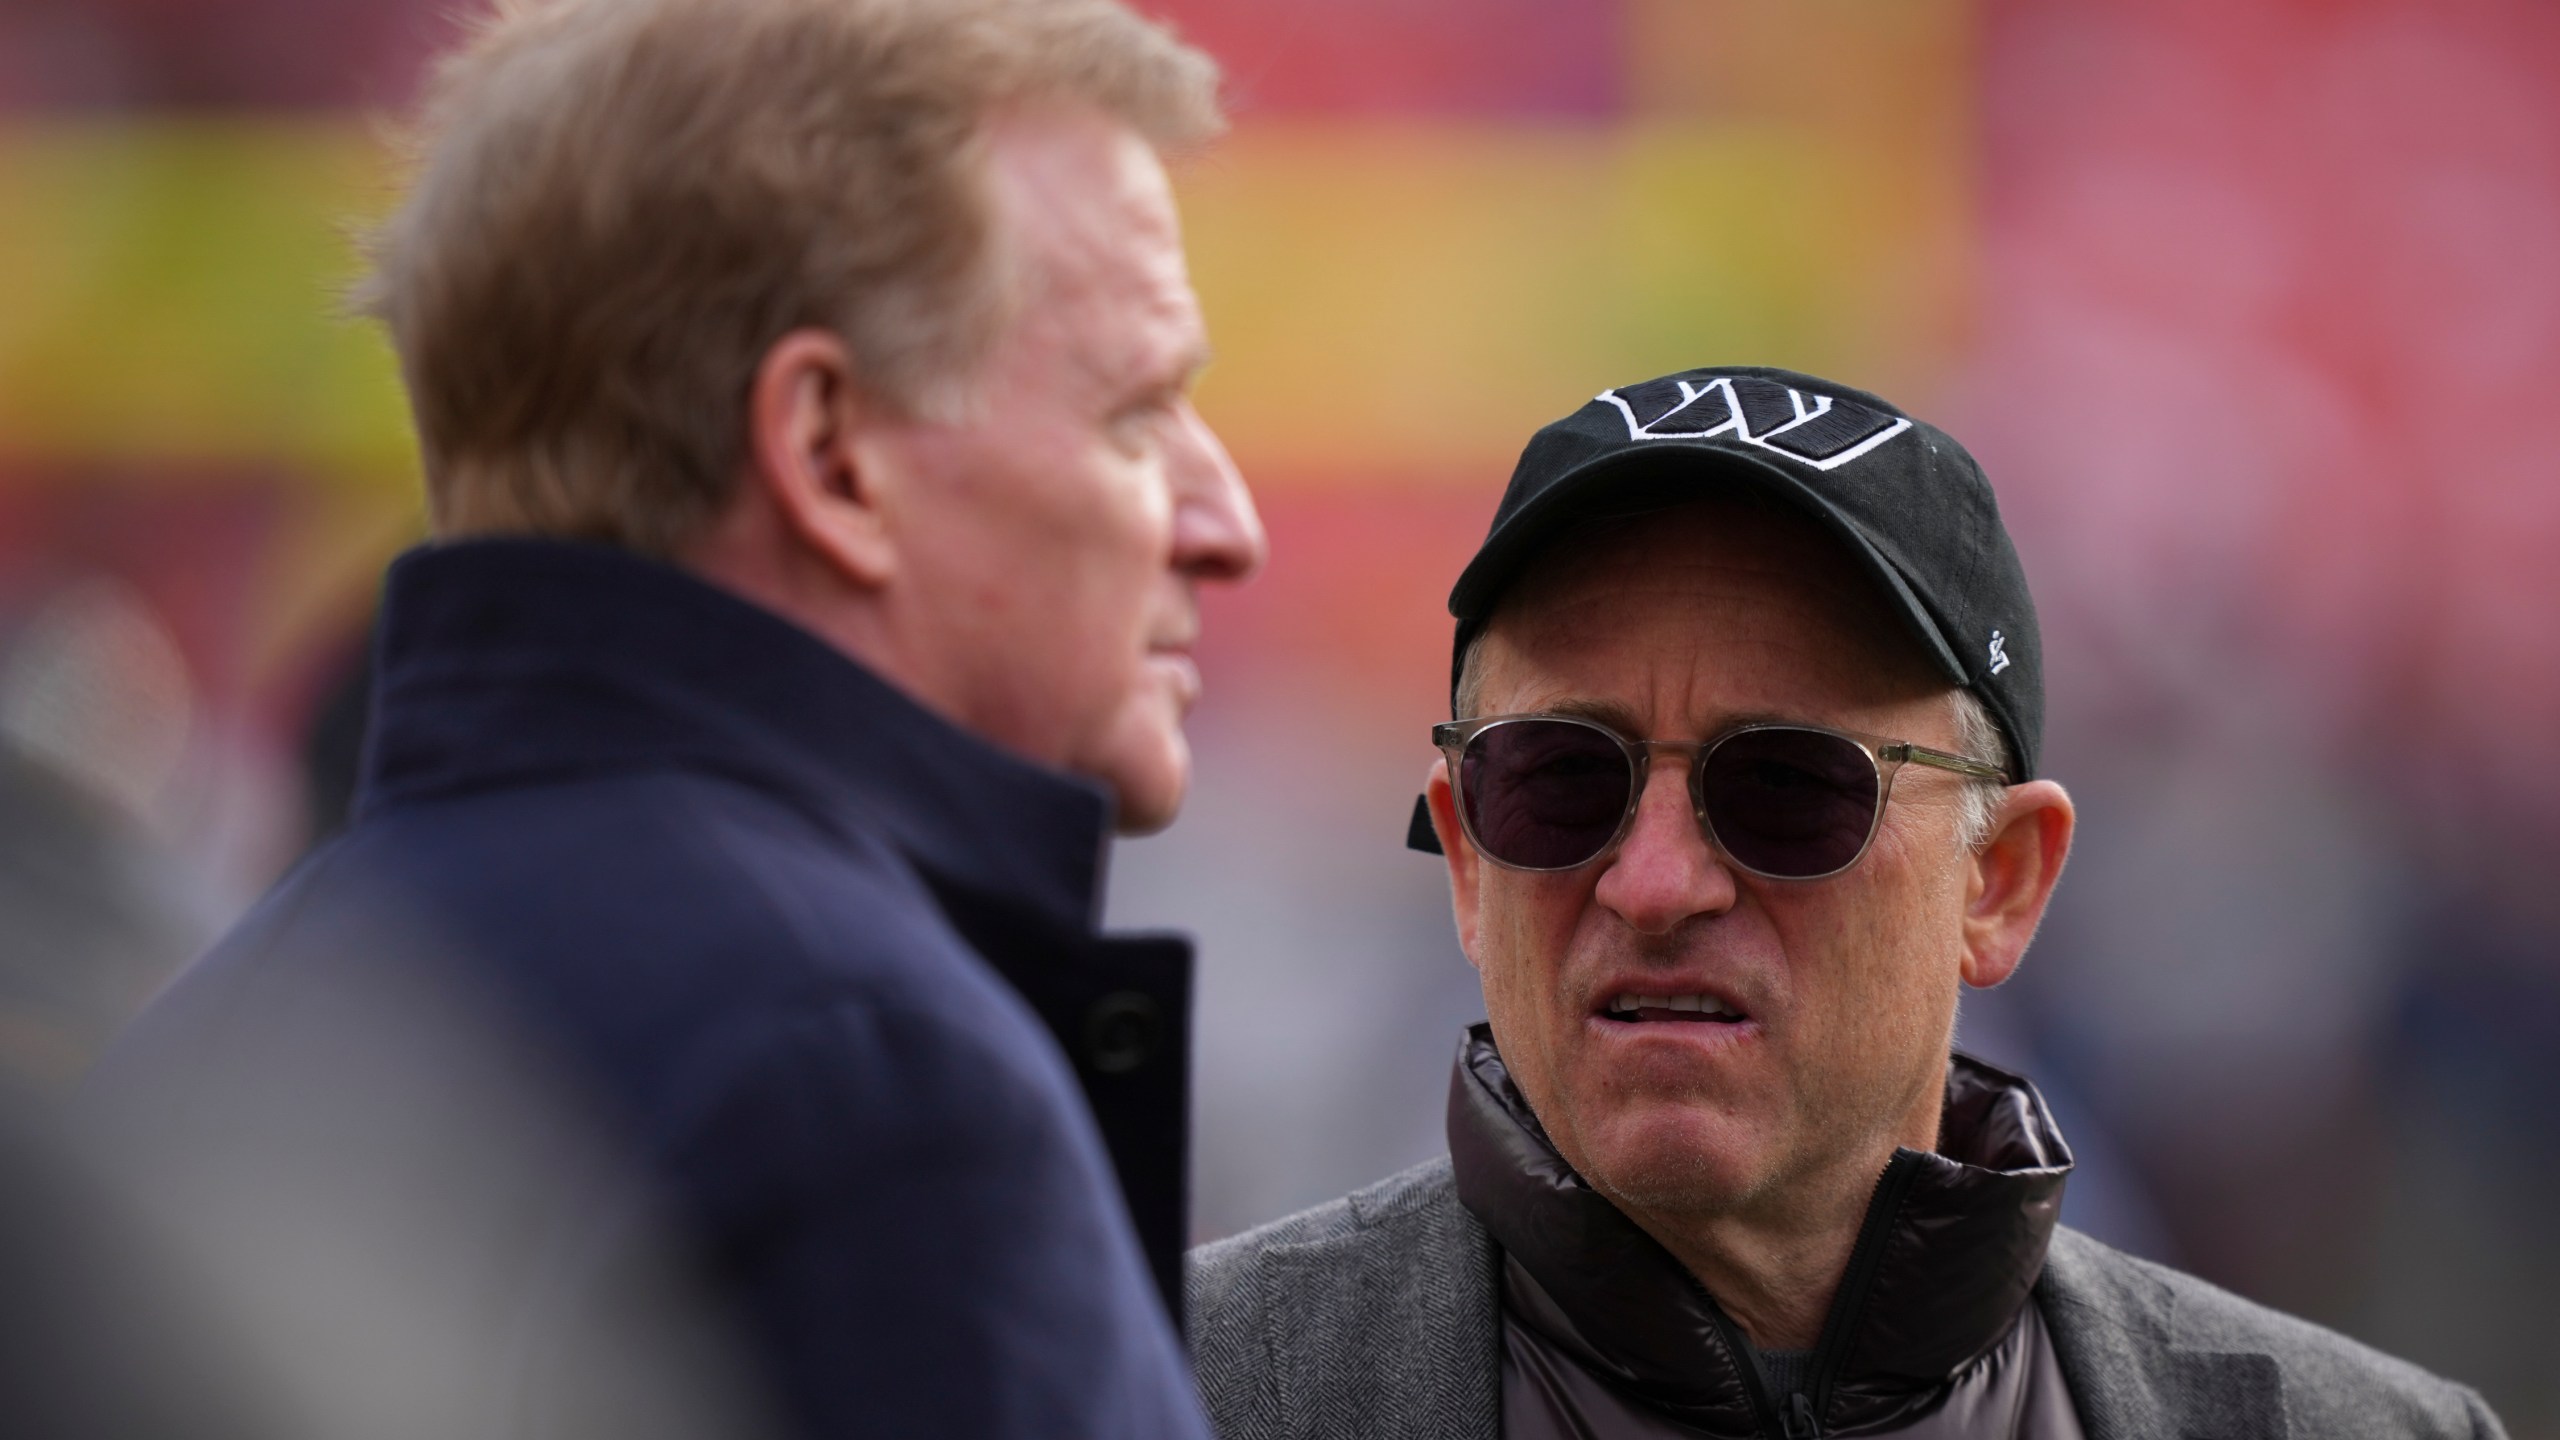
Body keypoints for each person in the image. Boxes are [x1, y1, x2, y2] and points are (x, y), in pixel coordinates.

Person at [78, 1, 1262, 1437]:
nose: (1227, 524)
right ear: (830, 455)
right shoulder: (865, 1080)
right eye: (1138, 416)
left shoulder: (213, 1036)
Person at [1184, 367, 2501, 1439]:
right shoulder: (1152, 1395)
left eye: (1790, 790)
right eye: (1557, 780)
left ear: (2000, 883)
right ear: (1468, 862)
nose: (1654, 883)